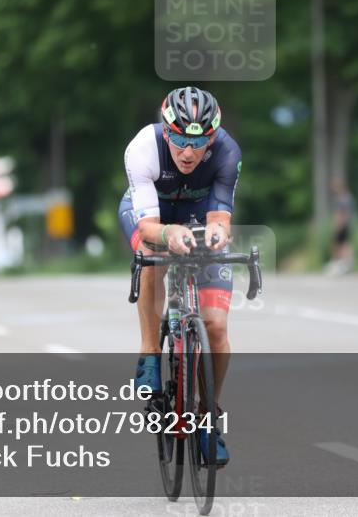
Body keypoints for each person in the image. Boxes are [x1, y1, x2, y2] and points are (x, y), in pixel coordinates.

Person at [119, 86, 241, 465]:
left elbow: (220, 215)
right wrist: (169, 233)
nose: (189, 153)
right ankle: (150, 353)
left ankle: (207, 418)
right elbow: (151, 225)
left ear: (213, 138)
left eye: (199, 142)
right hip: (151, 216)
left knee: (217, 329)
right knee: (152, 249)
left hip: (198, 216)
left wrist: (218, 234)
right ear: (166, 130)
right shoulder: (142, 148)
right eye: (179, 140)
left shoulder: (227, 151)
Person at [326, 178, 355, 275]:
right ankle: (347, 263)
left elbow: (342, 213)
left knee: (336, 244)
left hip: (342, 225)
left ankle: (337, 264)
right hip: (347, 224)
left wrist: (338, 225)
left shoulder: (342, 198)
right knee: (345, 243)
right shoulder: (347, 197)